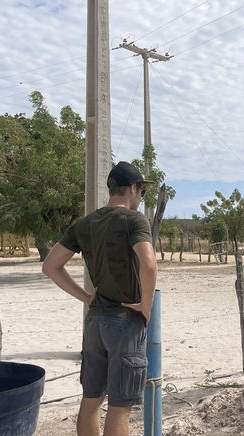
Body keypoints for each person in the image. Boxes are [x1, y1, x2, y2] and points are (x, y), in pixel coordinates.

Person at [42, 161, 157, 436]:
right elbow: (149, 264)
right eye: (141, 192)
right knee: (120, 407)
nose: (141, 199)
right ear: (132, 188)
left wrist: (87, 297)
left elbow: (50, 266)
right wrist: (146, 306)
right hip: (125, 323)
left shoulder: (85, 223)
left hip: (94, 323)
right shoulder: (134, 220)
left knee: (91, 401)